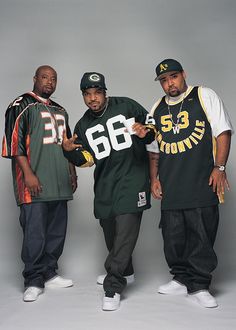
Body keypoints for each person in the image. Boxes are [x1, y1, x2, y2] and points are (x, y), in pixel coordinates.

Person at [62, 72, 156, 311]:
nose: (93, 98)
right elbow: (87, 160)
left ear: (105, 92)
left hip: (132, 178)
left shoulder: (126, 105)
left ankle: (113, 285)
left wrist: (147, 133)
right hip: (105, 184)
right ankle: (127, 271)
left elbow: (153, 125)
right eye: (87, 94)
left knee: (125, 231)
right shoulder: (83, 124)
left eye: (97, 92)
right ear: (83, 95)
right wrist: (69, 151)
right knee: (110, 231)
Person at [147, 59, 233, 308]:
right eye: (163, 80)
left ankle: (200, 284)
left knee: (201, 234)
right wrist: (154, 178)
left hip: (201, 182)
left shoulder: (203, 95)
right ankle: (181, 278)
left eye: (173, 77)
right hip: (171, 185)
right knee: (173, 238)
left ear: (183, 74)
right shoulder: (157, 108)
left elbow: (223, 131)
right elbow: (154, 150)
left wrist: (220, 167)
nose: (169, 83)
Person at [2, 65, 93, 302]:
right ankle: (33, 279)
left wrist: (72, 171)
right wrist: (28, 174)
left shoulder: (61, 110)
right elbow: (15, 144)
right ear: (35, 79)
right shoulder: (20, 104)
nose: (49, 82)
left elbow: (69, 144)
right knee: (35, 233)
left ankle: (50, 273)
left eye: (54, 79)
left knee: (56, 231)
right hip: (34, 182)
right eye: (44, 77)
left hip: (59, 180)